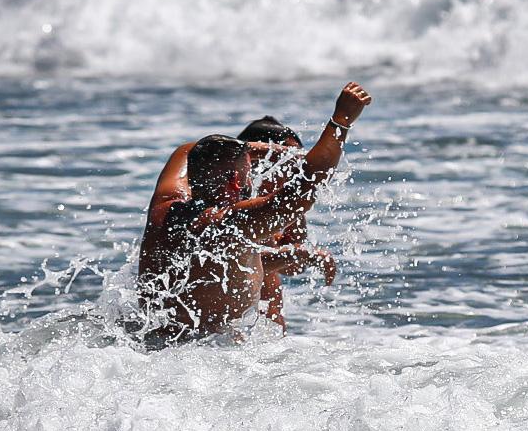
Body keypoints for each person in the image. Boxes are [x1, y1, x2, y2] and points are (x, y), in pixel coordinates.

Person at [137, 82, 371, 344]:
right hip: (206, 361)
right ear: (237, 182)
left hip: (153, 348)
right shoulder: (233, 223)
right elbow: (310, 181)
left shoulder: (165, 204)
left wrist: (256, 151)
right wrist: (341, 121)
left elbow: (188, 149)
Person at [236, 117, 326, 330]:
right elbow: (241, 264)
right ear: (257, 162)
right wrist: (303, 254)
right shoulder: (236, 209)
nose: (297, 170)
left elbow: (293, 268)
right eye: (287, 159)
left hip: (265, 348)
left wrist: (295, 210)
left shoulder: (274, 211)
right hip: (232, 347)